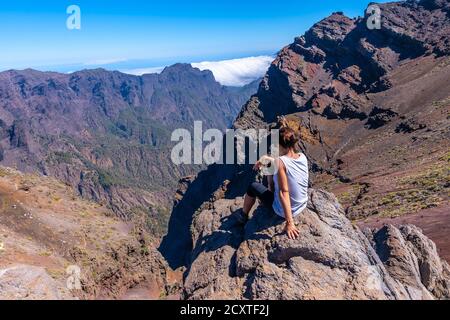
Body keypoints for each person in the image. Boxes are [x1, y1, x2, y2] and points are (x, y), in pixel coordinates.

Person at [236, 127, 309, 239]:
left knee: (252, 186)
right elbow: (277, 162)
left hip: (284, 210)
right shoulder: (302, 157)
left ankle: (243, 216)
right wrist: (264, 159)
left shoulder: (280, 163)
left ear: (279, 144)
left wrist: (290, 223)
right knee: (270, 168)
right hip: (302, 203)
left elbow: (284, 192)